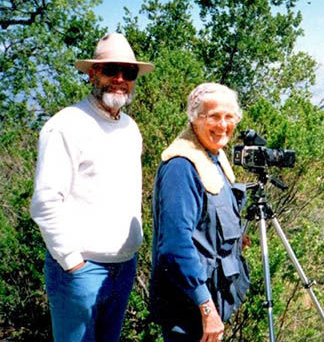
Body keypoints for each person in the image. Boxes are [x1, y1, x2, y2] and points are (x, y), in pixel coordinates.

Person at [30, 33, 155, 342]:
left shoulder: (129, 128)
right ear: (92, 73)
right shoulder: (66, 126)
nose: (120, 79)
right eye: (112, 69)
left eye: (129, 73)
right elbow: (45, 202)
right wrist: (72, 261)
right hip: (80, 271)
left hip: (124, 267)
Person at [150, 83, 250, 342]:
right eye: (214, 116)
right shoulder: (182, 166)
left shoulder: (213, 157)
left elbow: (205, 226)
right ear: (194, 118)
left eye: (229, 117)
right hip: (187, 308)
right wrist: (206, 307)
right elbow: (174, 246)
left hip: (207, 299)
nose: (223, 125)